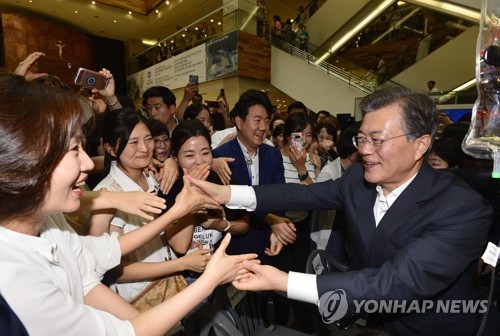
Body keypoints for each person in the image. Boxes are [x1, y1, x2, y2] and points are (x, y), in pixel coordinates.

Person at [189, 86, 500, 336]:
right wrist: (227, 193)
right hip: (373, 323)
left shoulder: (462, 209)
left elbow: (392, 284)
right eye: (361, 138)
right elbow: (302, 194)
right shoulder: (357, 180)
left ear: (420, 145)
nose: (364, 149)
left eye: (377, 140)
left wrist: (282, 281)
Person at [0, 73, 256, 335]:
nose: (88, 163)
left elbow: (94, 269)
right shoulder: (14, 281)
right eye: (73, 150)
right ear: (24, 162)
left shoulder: (52, 221)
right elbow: (116, 278)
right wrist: (201, 273)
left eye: (148, 140)